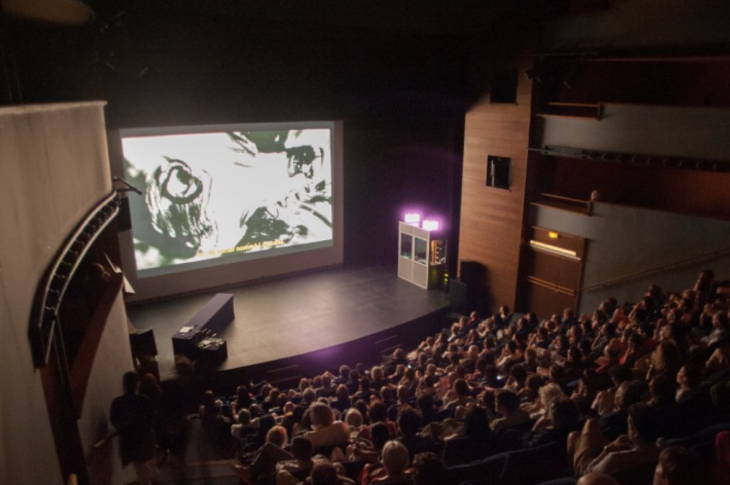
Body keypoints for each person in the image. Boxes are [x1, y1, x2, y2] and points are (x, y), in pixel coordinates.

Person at [109, 371, 158, 485]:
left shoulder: (118, 402)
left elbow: (114, 421)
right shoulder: (144, 400)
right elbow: (152, 419)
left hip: (129, 441)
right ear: (137, 384)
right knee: (147, 468)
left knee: (141, 470)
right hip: (145, 439)